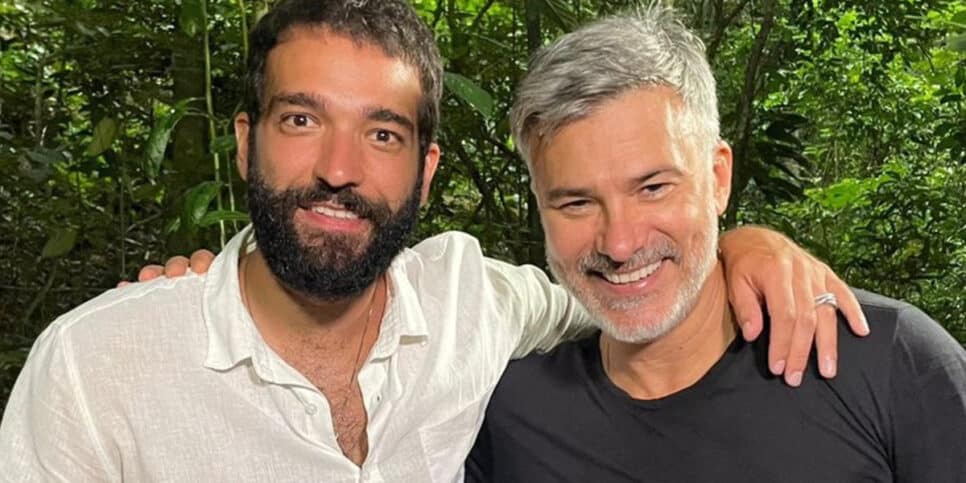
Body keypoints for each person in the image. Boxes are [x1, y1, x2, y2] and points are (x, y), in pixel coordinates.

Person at [0, 1, 866, 481]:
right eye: (302, 119)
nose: (339, 168)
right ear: (244, 141)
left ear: (425, 170)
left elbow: (628, 279)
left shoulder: (473, 301)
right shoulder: (96, 367)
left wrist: (741, 241)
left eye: (382, 134)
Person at [466, 5, 966, 482]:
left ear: (718, 178)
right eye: (576, 203)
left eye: (653, 188)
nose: (619, 244)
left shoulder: (890, 364)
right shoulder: (506, 414)